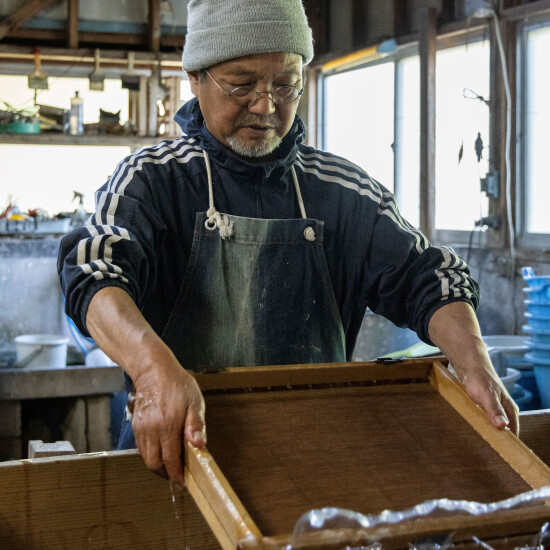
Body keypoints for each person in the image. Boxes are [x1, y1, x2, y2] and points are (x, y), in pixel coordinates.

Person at [57, 0, 519, 488]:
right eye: (242, 84)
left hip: (315, 462)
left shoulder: (343, 192)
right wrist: (151, 370)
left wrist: (474, 362)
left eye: (285, 84)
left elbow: (430, 278)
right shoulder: (151, 181)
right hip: (179, 461)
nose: (265, 105)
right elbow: (93, 271)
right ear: (195, 77)